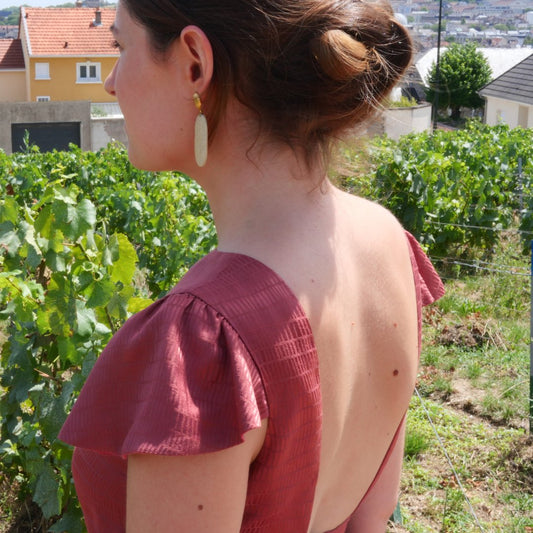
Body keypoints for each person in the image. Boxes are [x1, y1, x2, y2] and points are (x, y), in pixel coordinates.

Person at [59, 0, 444, 531]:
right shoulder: (389, 245)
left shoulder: (203, 340)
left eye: (121, 48)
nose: (111, 83)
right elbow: (371, 520)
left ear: (194, 63)